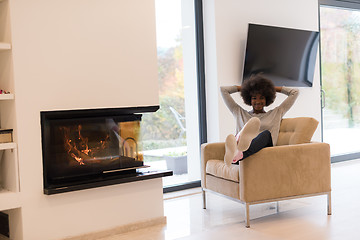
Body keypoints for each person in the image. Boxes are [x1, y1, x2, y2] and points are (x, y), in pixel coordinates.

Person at [220, 74, 299, 165]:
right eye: (254, 98)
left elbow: (295, 92)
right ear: (249, 99)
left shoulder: (276, 113)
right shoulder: (239, 113)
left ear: (267, 99)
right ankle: (238, 147)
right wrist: (248, 88)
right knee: (243, 136)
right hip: (243, 158)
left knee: (266, 134)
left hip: (266, 151)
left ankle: (239, 153)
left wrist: (270, 88)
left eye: (261, 98)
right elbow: (223, 90)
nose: (258, 101)